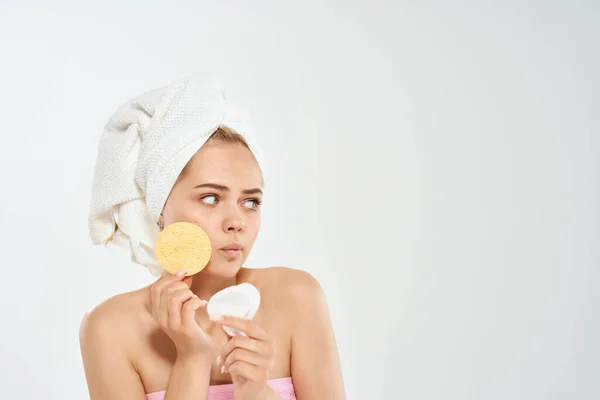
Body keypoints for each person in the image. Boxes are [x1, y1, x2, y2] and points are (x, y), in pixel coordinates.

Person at [79, 76, 346, 400]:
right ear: (159, 207)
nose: (237, 221)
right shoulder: (110, 329)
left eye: (251, 202)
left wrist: (256, 391)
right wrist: (192, 358)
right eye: (210, 198)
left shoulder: (296, 298)